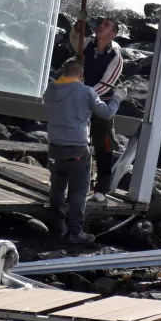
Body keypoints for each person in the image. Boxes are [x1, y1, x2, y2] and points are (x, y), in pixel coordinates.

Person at [43, 57, 123, 243]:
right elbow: (106, 113)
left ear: (64, 72)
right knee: (79, 190)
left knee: (57, 187)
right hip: (77, 148)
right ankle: (75, 232)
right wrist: (118, 97)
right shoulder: (86, 91)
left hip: (54, 147)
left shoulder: (50, 89)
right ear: (81, 75)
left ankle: (58, 227)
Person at [70, 16, 124, 202]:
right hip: (83, 101)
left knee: (104, 146)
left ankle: (102, 188)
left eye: (106, 25)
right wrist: (78, 25)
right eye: (101, 23)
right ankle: (77, 184)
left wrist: (84, 96)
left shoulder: (116, 57)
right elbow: (75, 40)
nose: (101, 26)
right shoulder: (87, 44)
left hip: (103, 104)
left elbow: (106, 84)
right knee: (78, 142)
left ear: (113, 34)